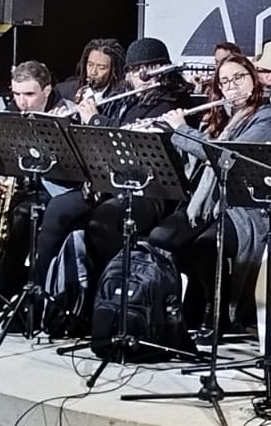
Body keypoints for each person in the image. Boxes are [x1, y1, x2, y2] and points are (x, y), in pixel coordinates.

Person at [147, 55, 271, 330]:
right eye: (224, 82)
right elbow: (196, 161)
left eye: (238, 78)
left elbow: (228, 158)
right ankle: (191, 304)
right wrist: (165, 134)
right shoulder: (219, 119)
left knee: (207, 245)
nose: (231, 86)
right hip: (209, 204)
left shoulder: (267, 119)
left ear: (253, 79)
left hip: (246, 209)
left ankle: (219, 313)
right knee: (162, 238)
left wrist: (182, 131)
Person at [81, 38, 194, 283]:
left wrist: (97, 121)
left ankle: (112, 293)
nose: (141, 77)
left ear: (163, 71)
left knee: (104, 222)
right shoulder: (127, 98)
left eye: (149, 69)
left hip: (157, 191)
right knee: (68, 213)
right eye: (134, 70)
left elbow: (131, 136)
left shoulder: (172, 101)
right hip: (119, 181)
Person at [0, 62, 78, 300]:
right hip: (23, 185)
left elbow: (75, 170)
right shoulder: (10, 114)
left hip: (58, 189)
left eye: (29, 94)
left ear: (46, 90)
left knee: (22, 217)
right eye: (16, 94)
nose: (22, 102)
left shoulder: (68, 113)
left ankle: (22, 293)